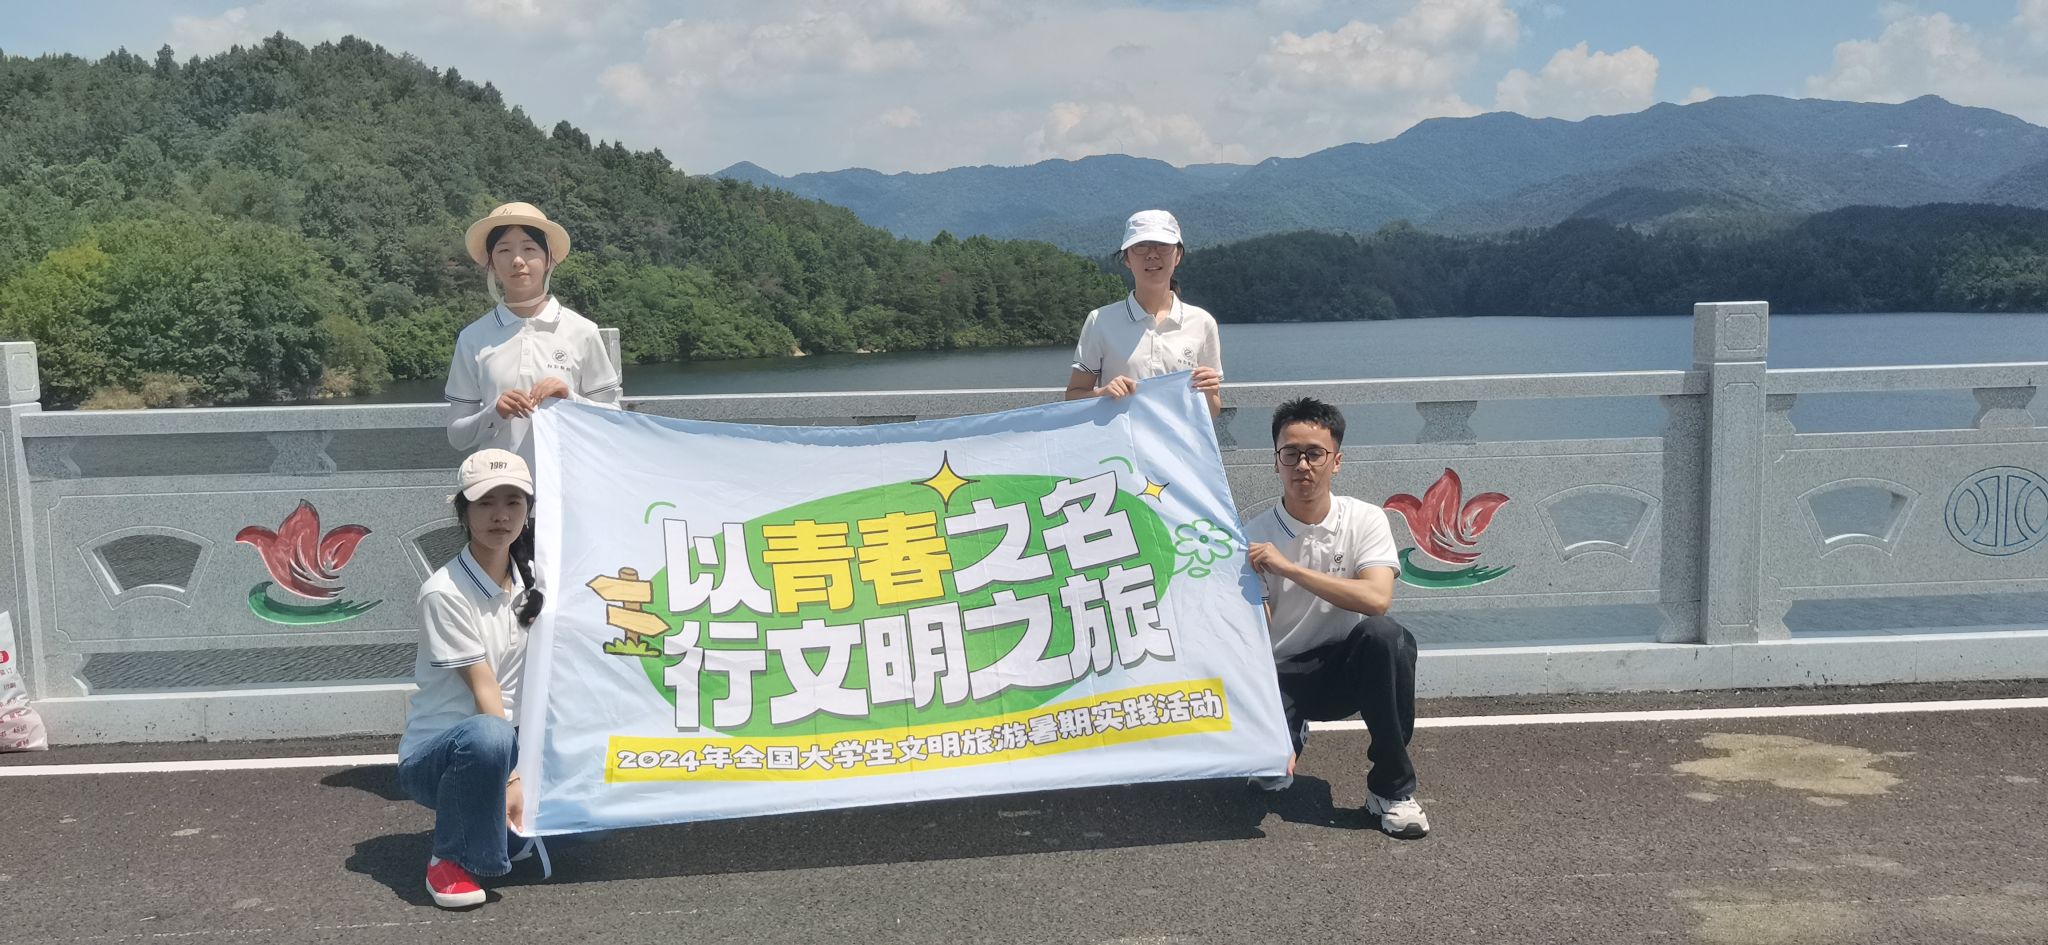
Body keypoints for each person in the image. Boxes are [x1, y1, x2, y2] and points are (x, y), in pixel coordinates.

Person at [1243, 397, 1429, 839]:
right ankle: (1286, 732)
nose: (1302, 465)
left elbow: (1377, 599)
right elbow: (1255, 629)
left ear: (1337, 462)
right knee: (1264, 778)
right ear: (1276, 461)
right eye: (1290, 454)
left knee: (1387, 637)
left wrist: (1289, 569)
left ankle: (1390, 790)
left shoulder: (1365, 519)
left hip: (1347, 668)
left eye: (1315, 454)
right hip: (1281, 673)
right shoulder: (1252, 536)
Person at [396, 449, 543, 908]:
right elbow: (484, 688)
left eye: (513, 502)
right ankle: (450, 860)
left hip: (510, 743)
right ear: (463, 512)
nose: (501, 515)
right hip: (445, 755)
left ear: (528, 511)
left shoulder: (534, 581)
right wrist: (511, 778)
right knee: (489, 735)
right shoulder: (444, 593)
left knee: (585, 834)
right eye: (485, 503)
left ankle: (500, 832)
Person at [445, 202, 622, 460]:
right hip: (501, 483)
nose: (517, 261)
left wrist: (569, 397)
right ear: (491, 263)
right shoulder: (473, 338)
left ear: (549, 259)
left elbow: (614, 420)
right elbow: (457, 436)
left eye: (529, 248)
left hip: (567, 478)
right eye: (504, 250)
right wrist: (495, 412)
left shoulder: (582, 331)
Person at [1064, 209, 1223, 417]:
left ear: (1178, 255)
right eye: (1141, 246)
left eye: (1163, 245)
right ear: (1127, 258)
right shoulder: (1100, 321)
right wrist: (1103, 393)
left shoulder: (1202, 322)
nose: (1152, 254)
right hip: (1122, 438)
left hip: (1179, 438)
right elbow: (1073, 396)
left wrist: (1210, 391)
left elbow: (1212, 411)